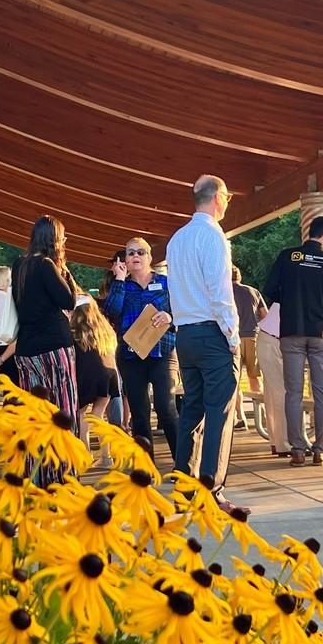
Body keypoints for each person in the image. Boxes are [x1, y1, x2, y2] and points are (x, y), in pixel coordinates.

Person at [166, 175, 247, 515]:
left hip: (185, 333)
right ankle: (211, 488)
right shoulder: (214, 237)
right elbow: (220, 291)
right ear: (217, 198)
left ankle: (184, 484)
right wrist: (232, 336)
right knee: (219, 413)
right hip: (212, 332)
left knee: (192, 411)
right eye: (227, 195)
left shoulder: (176, 239)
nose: (228, 201)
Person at [263, 214, 323, 467]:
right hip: (321, 333)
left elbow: (270, 290)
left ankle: (297, 449)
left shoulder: (288, 256)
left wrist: (291, 300)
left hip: (291, 331)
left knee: (293, 392)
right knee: (321, 392)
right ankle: (320, 449)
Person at [10, 216, 81, 474]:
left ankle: (37, 473)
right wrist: (68, 274)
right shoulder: (46, 265)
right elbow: (69, 301)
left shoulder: (20, 265)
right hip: (54, 346)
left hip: (27, 349)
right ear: (54, 239)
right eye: (62, 237)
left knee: (35, 413)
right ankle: (63, 474)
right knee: (63, 410)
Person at [102, 236, 177, 463]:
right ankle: (145, 467)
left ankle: (183, 464)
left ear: (149, 257)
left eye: (140, 252)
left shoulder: (166, 282)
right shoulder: (120, 284)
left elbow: (183, 309)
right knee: (139, 411)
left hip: (162, 352)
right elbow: (112, 311)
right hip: (131, 355)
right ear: (124, 259)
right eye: (131, 253)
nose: (135, 256)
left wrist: (169, 316)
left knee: (166, 406)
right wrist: (120, 280)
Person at [69, 300, 119, 434]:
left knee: (81, 413)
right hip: (109, 374)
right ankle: (106, 454)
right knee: (99, 414)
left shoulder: (75, 331)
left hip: (88, 375)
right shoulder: (105, 330)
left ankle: (86, 453)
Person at [253, 301, 290, 456]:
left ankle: (276, 441)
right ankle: (285, 443)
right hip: (275, 339)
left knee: (272, 392)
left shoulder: (286, 286)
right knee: (281, 393)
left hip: (267, 337)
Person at [231, 266, 267, 393]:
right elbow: (265, 315)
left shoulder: (224, 293)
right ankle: (259, 410)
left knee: (234, 380)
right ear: (239, 276)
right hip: (252, 336)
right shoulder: (253, 291)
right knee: (255, 376)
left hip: (232, 338)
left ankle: (239, 413)